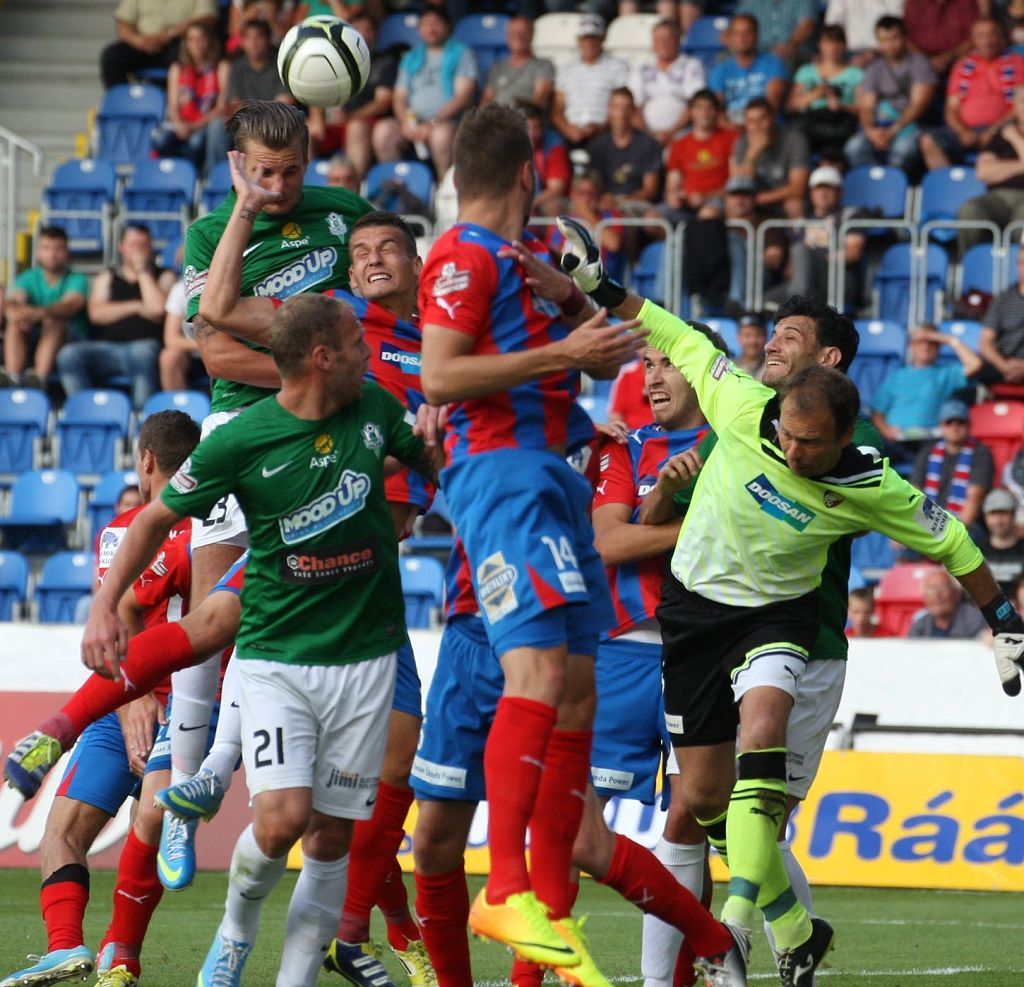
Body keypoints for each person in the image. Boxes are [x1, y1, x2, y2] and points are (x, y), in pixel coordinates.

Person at [556, 218, 1024, 983]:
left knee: (760, 745)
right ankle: (795, 928)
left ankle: (733, 932)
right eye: (790, 438)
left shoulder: (870, 476)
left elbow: (954, 543)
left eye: (812, 443)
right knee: (705, 800)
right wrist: (599, 285)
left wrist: (1004, 618)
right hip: (693, 614)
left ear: (843, 434)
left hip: (782, 619)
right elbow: (677, 335)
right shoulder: (745, 407)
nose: (796, 452)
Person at [79, 292, 441, 987]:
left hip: (365, 657)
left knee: (330, 837)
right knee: (281, 821)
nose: (369, 353)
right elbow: (153, 519)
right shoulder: (241, 439)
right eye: (356, 343)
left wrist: (440, 442)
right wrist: (104, 605)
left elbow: (431, 464)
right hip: (279, 655)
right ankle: (236, 928)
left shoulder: (376, 408)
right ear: (322, 357)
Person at [418, 101, 646, 982]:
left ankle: (545, 903)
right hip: (502, 476)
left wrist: (573, 304)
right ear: (528, 171)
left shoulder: (529, 257)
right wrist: (560, 355)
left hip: (553, 479)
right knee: (541, 677)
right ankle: (506, 885)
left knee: (576, 691)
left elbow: (604, 357)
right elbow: (441, 373)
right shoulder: (463, 253)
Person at [1, 410, 200, 987]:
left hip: (156, 706)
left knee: (73, 832)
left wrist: (133, 702)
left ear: (146, 460)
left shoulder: (124, 531)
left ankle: (91, 948)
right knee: (137, 828)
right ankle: (95, 949)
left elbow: (115, 623)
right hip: (165, 705)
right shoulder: (218, 526)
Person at [57, 223, 174, 410]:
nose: (138, 250)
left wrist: (143, 273)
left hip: (144, 346)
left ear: (151, 248)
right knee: (69, 355)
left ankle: (140, 416)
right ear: (121, 248)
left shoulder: (164, 276)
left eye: (143, 245)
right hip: (106, 349)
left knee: (143, 352)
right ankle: (84, 410)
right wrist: (137, 306)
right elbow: (96, 314)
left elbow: (157, 310)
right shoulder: (107, 277)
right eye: (133, 245)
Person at [920, 18, 1024, 171]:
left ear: (1000, 37)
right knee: (928, 141)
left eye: (992, 34)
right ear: (973, 40)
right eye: (981, 35)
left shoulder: (1017, 63)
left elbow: (1020, 106)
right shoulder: (962, 65)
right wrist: (962, 132)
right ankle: (951, 183)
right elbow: (951, 109)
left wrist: (993, 130)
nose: (987, 41)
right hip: (966, 131)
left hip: (1002, 129)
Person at [870, 324, 983, 464]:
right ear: (911, 346)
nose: (926, 346)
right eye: (920, 342)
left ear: (939, 347)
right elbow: (877, 413)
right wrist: (886, 431)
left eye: (932, 342)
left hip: (929, 441)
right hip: (894, 442)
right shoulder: (896, 376)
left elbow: (975, 364)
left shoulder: (946, 373)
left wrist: (948, 339)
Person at [307, 13, 400, 180]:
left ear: (375, 34)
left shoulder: (385, 62)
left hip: (366, 122)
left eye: (368, 30)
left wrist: (351, 116)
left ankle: (353, 185)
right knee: (304, 129)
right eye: (358, 29)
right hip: (335, 123)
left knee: (356, 127)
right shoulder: (333, 58)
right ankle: (306, 185)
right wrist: (317, 118)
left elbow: (382, 102)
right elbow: (316, 91)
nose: (363, 34)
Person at [389, 4, 478, 178]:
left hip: (447, 122)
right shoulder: (411, 56)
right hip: (413, 121)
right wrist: (406, 123)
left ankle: (444, 187)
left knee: (441, 137)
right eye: (426, 23)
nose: (431, 28)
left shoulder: (461, 53)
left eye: (436, 23)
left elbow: (463, 97)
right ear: (419, 28)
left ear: (447, 26)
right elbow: (399, 97)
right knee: (384, 133)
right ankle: (396, 183)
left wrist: (433, 123)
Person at [843, 15, 936, 172]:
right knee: (854, 148)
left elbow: (918, 105)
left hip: (911, 127)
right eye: (884, 40)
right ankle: (874, 183)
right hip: (880, 127)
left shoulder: (920, 63)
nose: (889, 45)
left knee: (902, 152)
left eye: (894, 39)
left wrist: (894, 130)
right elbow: (866, 106)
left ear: (905, 38)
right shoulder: (874, 67)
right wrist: (870, 131)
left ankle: (893, 185)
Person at [1, 225, 90, 389]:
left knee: (53, 320)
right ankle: (12, 378)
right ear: (38, 252)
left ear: (66, 252)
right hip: (33, 333)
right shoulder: (28, 277)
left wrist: (39, 312)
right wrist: (16, 312)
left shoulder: (78, 279)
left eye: (57, 248)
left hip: (70, 338)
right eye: (46, 248)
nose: (52, 254)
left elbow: (71, 305)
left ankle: (38, 381)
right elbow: (15, 300)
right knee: (15, 321)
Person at [203, 17, 292, 177]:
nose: (253, 43)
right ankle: (213, 178)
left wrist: (253, 110)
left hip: (273, 124)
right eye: (248, 38)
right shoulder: (236, 67)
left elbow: (284, 104)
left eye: (259, 37)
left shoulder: (280, 67)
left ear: (268, 40)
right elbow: (235, 105)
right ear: (242, 42)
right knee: (217, 126)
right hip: (245, 123)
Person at [777, 164, 867, 308]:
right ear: (811, 193)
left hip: (838, 280)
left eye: (829, 188)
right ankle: (796, 305)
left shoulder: (849, 216)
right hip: (804, 283)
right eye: (819, 188)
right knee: (764, 300)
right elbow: (790, 269)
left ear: (840, 192)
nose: (823, 193)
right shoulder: (801, 222)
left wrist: (815, 260)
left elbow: (852, 253)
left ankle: (798, 308)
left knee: (801, 250)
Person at [151, 22, 229, 173]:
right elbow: (173, 106)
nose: (196, 44)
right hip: (181, 123)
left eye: (200, 39)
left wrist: (194, 126)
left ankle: (195, 177)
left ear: (209, 41)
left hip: (205, 124)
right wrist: (180, 125)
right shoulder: (177, 68)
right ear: (186, 44)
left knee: (195, 142)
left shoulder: (221, 66)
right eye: (191, 40)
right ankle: (170, 175)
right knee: (159, 139)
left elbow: (221, 108)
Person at [958, 86, 1024, 254]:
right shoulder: (999, 137)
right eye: (1022, 102)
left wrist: (1015, 139)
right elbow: (983, 172)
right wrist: (1021, 165)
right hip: (997, 196)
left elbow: (992, 169)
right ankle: (971, 265)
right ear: (1015, 107)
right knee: (970, 211)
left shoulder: (1010, 134)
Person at [910, 398, 994, 529]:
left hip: (963, 527)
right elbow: (915, 490)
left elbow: (974, 497)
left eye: (960, 422)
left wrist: (950, 533)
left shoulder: (981, 453)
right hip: (926, 520)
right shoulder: (928, 451)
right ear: (941, 426)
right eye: (949, 422)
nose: (955, 427)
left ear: (969, 425)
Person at [786, 24, 863, 163]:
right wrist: (815, 94)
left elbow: (862, 109)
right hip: (809, 123)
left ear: (844, 45)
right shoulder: (806, 71)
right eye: (828, 42)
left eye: (837, 42)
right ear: (820, 45)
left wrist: (841, 106)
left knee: (834, 149)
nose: (832, 47)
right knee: (795, 135)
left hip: (839, 125)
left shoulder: (856, 73)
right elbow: (791, 106)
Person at [100, 0, 218, 89]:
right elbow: (123, 23)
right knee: (112, 56)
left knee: (189, 54)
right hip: (142, 43)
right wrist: (137, 41)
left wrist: (169, 34)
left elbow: (207, 18)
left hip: (178, 41)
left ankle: (179, 104)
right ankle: (123, 103)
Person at [551, 13, 630, 147]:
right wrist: (568, 129)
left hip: (605, 132)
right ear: (578, 40)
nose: (589, 43)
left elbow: (622, 105)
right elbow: (557, 109)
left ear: (603, 39)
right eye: (585, 38)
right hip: (570, 133)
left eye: (594, 38)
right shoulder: (567, 69)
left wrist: (600, 127)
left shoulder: (618, 67)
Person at [628, 18, 706, 147]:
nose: (663, 44)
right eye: (658, 39)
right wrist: (649, 136)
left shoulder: (691, 66)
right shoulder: (641, 68)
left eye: (668, 39)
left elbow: (695, 105)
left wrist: (670, 133)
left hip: (682, 135)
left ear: (678, 41)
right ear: (652, 43)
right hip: (646, 137)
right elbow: (635, 108)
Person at [584, 88, 663, 211]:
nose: (621, 114)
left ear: (633, 111)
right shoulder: (597, 145)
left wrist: (620, 201)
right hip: (603, 204)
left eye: (626, 108)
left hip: (636, 205)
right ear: (609, 109)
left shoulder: (648, 144)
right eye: (617, 107)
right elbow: (592, 184)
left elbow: (650, 190)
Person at [731, 97, 810, 220]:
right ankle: (738, 234)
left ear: (773, 118)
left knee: (794, 204)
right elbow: (741, 185)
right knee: (734, 205)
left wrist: (758, 199)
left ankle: (799, 234)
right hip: (753, 201)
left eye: (762, 119)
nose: (757, 126)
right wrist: (752, 153)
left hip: (781, 198)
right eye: (751, 121)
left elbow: (798, 188)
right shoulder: (742, 143)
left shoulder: (794, 140)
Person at [662, 89, 735, 220]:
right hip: (687, 203)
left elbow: (735, 183)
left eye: (709, 108)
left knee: (707, 214)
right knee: (652, 218)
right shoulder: (679, 144)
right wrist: (674, 197)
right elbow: (672, 184)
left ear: (717, 112)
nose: (704, 113)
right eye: (699, 108)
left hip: (719, 200)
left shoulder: (730, 139)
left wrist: (705, 196)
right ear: (690, 112)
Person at [707, 14, 788, 125]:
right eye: (737, 33)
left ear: (757, 35)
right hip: (732, 129)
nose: (742, 38)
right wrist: (732, 128)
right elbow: (716, 110)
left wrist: (751, 127)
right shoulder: (719, 71)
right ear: (730, 37)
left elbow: (773, 104)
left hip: (766, 127)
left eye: (747, 33)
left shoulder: (773, 64)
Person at [480, 15, 555, 111]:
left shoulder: (543, 65)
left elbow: (539, 100)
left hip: (524, 116)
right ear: (507, 36)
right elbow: (486, 99)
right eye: (513, 33)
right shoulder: (497, 67)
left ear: (532, 35)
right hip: (496, 117)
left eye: (523, 32)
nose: (518, 37)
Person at [980, 245, 1024, 384]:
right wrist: (1003, 366)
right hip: (1003, 363)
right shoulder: (1003, 299)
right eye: (1022, 262)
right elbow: (985, 342)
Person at [904, 0, 981, 77]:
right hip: (919, 65)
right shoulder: (915, 2)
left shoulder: (966, 2)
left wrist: (949, 57)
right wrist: (926, 61)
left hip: (958, 62)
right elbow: (904, 37)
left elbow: (975, 37)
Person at [908, 568, 990, 638]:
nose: (936, 595)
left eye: (942, 588)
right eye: (930, 590)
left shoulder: (975, 620)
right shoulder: (921, 624)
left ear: (957, 594)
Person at [734, 0, 818, 64]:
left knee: (784, 58)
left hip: (794, 51)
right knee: (733, 57)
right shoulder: (749, 2)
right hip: (756, 52)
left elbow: (807, 26)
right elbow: (734, 27)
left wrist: (790, 44)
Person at [976, 487, 1024, 594]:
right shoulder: (976, 551)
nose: (998, 520)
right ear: (985, 517)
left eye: (1004, 513)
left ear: (1013, 515)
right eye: (993, 514)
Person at [824, 0, 906, 60]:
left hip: (884, 54)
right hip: (847, 54)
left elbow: (896, 29)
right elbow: (832, 29)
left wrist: (872, 54)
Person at [733, 311, 767, 379]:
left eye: (758, 335)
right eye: (747, 335)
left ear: (766, 336)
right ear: (738, 337)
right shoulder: (730, 368)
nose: (752, 341)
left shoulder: (772, 368)